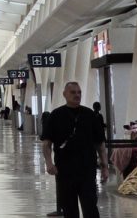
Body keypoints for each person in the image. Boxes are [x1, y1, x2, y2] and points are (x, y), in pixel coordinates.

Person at [41, 82, 108, 218]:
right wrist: (49, 163)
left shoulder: (89, 115)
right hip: (64, 169)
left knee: (90, 206)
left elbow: (100, 144)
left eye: (79, 92)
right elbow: (46, 143)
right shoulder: (56, 115)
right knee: (69, 208)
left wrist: (105, 166)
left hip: (87, 169)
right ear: (64, 94)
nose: (77, 95)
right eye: (73, 92)